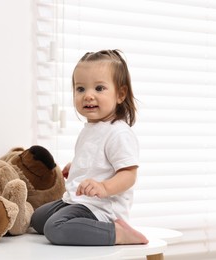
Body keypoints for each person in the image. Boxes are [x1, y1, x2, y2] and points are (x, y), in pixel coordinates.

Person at [30, 49, 149, 246]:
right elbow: (96, 160)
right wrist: (75, 166)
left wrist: (104, 187)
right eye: (81, 89)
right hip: (78, 200)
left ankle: (117, 233)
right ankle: (82, 228)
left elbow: (128, 174)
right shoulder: (91, 129)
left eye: (99, 88)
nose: (88, 96)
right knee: (37, 218)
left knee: (54, 228)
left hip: (101, 208)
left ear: (120, 94)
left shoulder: (118, 133)